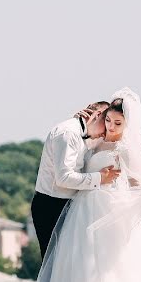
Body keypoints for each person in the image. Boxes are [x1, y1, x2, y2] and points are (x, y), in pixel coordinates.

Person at [37, 88, 141, 282]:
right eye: (108, 120)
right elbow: (79, 157)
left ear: (127, 124)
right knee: (76, 257)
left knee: (107, 259)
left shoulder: (124, 149)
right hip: (81, 207)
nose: (111, 126)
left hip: (105, 206)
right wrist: (84, 127)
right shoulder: (95, 140)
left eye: (118, 123)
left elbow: (135, 179)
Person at [31, 101, 121, 259]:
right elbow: (64, 178)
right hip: (51, 206)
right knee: (54, 265)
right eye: (105, 121)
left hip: (68, 205)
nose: (107, 130)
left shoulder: (84, 133)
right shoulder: (68, 133)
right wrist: (100, 178)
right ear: (97, 115)